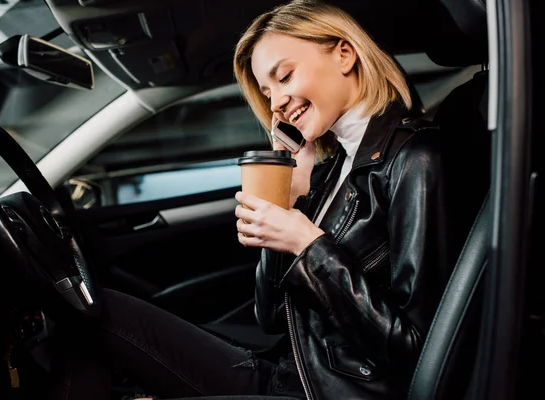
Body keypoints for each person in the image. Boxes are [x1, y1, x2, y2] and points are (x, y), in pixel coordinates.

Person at [37, 0, 487, 399]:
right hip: (289, 373)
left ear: (345, 54)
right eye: (267, 91)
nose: (275, 103)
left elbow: (417, 350)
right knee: (95, 310)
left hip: (331, 391)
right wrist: (289, 206)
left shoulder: (415, 159)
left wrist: (309, 246)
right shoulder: (332, 166)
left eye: (284, 76)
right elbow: (270, 315)